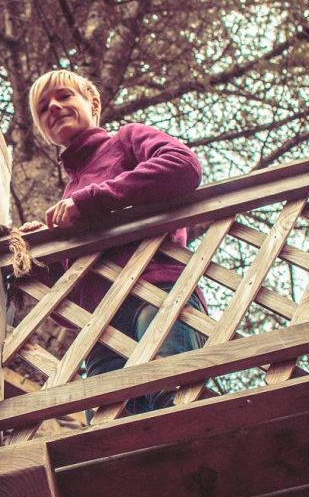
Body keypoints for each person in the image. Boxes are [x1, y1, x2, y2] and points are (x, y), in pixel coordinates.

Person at [25, 68, 204, 415]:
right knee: (110, 427)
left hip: (156, 289)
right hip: (101, 324)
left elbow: (182, 166)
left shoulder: (126, 140)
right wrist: (42, 260)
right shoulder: (68, 194)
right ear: (45, 131)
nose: (55, 108)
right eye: (44, 108)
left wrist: (93, 200)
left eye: (64, 96)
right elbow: (70, 300)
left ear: (93, 103)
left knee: (174, 399)